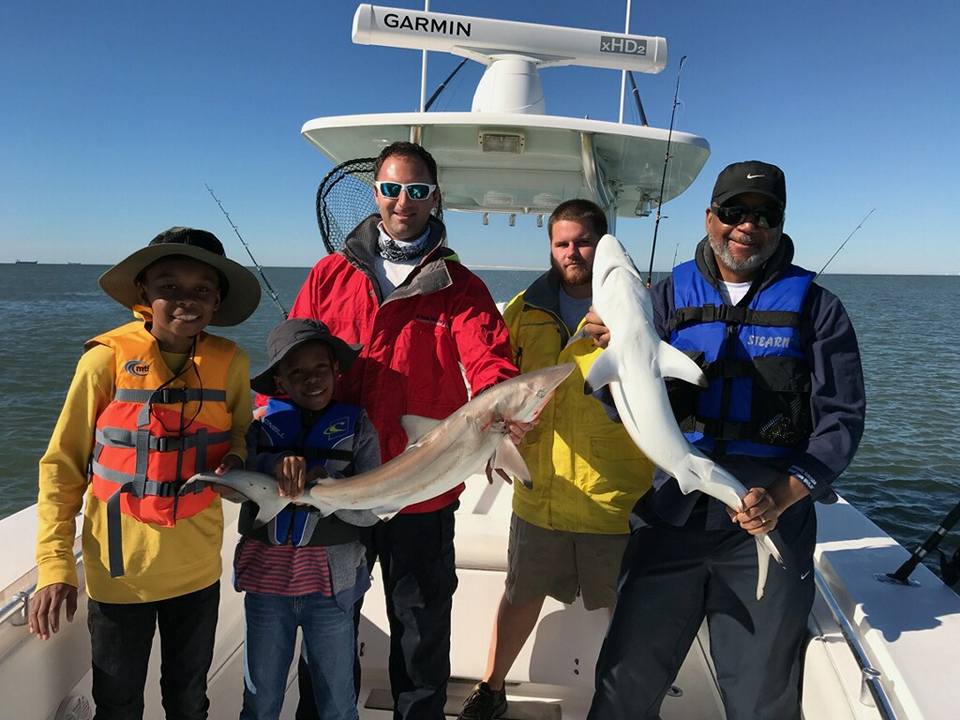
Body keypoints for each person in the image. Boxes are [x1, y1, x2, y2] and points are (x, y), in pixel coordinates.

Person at [583, 161, 866, 720]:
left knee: (763, 697)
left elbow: (843, 419)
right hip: (671, 514)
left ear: (780, 225)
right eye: (734, 211)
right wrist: (610, 358)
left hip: (768, 514)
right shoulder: (660, 299)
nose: (747, 226)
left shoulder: (818, 308)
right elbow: (619, 411)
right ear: (710, 216)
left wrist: (786, 494)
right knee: (623, 685)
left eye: (765, 215)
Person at [291, 141, 521, 720]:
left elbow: (492, 362)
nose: (403, 201)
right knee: (327, 624)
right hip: (339, 484)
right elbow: (291, 361)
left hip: (422, 491)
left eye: (417, 190)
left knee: (421, 635)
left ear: (434, 197)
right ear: (375, 195)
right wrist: (282, 443)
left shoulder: (460, 287)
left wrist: (508, 407)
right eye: (392, 188)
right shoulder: (329, 275)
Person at [29, 227, 261, 718]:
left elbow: (241, 431)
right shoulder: (103, 362)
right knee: (117, 702)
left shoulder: (232, 362)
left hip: (197, 569)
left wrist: (236, 460)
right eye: (169, 286)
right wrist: (54, 566)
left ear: (217, 300)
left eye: (202, 289)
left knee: (187, 699)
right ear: (143, 292)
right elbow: (61, 466)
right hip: (119, 573)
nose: (186, 300)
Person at [456, 199, 654, 720]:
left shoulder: (639, 309)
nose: (573, 252)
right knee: (520, 594)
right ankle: (492, 688)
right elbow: (496, 383)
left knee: (626, 609)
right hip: (538, 490)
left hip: (614, 493)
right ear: (549, 247)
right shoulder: (523, 310)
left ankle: (629, 704)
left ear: (603, 245)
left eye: (584, 241)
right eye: (562, 243)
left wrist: (637, 337)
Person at [236, 318, 381, 720]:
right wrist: (273, 466)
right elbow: (233, 482)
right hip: (265, 589)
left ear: (336, 370)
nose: (312, 380)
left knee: (337, 703)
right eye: (297, 372)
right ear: (280, 379)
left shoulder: (360, 426)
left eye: (320, 368)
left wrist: (327, 490)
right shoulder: (259, 426)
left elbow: (371, 513)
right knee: (261, 701)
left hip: (330, 592)